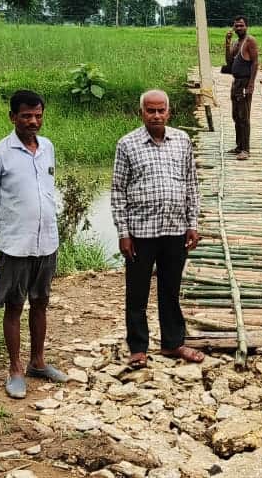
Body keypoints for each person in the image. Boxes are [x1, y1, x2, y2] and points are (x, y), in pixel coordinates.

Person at [0, 90, 69, 400]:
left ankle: (38, 362)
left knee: (40, 302)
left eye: (38, 116)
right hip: (15, 245)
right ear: (13, 117)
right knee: (14, 306)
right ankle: (15, 370)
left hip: (47, 242)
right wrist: (4, 230)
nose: (33, 121)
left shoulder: (47, 148)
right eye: (26, 116)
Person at [111, 90, 205, 368]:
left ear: (168, 112)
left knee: (170, 288)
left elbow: (191, 184)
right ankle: (138, 347)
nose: (156, 115)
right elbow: (118, 191)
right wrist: (123, 233)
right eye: (150, 110)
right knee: (137, 291)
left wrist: (192, 223)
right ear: (141, 113)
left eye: (160, 110)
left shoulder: (182, 140)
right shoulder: (127, 144)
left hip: (175, 228)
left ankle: (173, 343)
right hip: (141, 231)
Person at [224, 15, 258, 160]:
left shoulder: (250, 41)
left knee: (244, 117)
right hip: (236, 83)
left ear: (246, 26)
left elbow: (255, 62)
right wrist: (227, 43)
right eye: (236, 25)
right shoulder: (236, 43)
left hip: (245, 82)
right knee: (236, 116)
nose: (238, 28)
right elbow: (229, 62)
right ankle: (239, 146)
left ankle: (245, 149)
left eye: (241, 25)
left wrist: (251, 84)